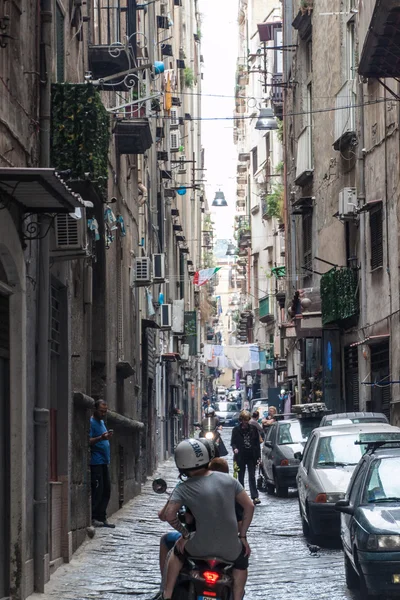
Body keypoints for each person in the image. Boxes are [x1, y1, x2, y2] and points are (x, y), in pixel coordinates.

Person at [157, 438, 255, 600]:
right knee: (241, 564)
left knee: (177, 553)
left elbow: (168, 515)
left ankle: (166, 594)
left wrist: (185, 535)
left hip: (199, 547)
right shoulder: (229, 480)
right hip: (230, 549)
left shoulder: (183, 487)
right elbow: (249, 506)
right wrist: (243, 536)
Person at [158, 457, 243, 574]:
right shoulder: (233, 490)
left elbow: (184, 518)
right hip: (228, 545)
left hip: (199, 542)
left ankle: (166, 587)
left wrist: (185, 534)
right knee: (240, 564)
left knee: (168, 542)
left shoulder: (195, 490)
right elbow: (241, 522)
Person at [89, 400, 115, 528]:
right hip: (96, 462)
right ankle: (94, 517)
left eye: (105, 411)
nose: (104, 413)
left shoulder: (102, 422)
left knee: (106, 490)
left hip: (104, 461)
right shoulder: (91, 422)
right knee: (98, 490)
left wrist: (107, 437)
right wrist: (101, 438)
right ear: (95, 409)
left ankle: (102, 517)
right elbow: (88, 441)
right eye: (101, 411)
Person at [231, 410, 261, 506]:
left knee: (252, 476)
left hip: (251, 455)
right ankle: (241, 497)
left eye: (247, 420)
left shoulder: (253, 429)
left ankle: (254, 496)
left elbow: (257, 443)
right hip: (241, 456)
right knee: (241, 476)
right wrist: (235, 449)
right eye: (244, 420)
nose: (245, 422)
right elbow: (233, 442)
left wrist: (258, 456)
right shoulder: (236, 430)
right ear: (241, 420)